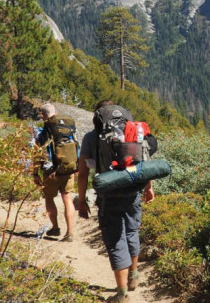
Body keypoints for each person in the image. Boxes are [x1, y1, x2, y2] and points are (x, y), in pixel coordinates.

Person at [77, 100, 155, 303]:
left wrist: (83, 199)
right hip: (132, 192)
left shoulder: (92, 137)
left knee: (115, 240)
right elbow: (143, 162)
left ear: (98, 117)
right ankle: (134, 276)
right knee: (131, 231)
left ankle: (121, 295)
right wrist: (149, 187)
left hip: (108, 195)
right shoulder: (131, 131)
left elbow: (83, 173)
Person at [33, 103, 78, 242]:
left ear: (43, 115)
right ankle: (70, 233)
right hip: (68, 168)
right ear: (55, 112)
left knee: (49, 198)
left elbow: (37, 154)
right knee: (67, 198)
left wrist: (36, 173)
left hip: (51, 172)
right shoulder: (68, 128)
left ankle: (55, 228)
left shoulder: (43, 131)